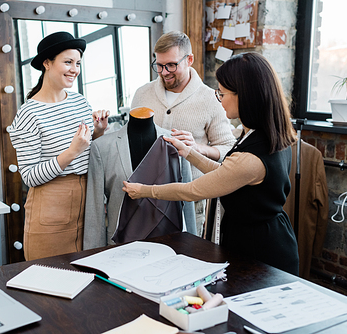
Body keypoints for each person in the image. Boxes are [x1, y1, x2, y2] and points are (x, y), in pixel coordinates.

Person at [123, 52, 300, 275]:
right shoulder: (266, 134)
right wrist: (189, 152)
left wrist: (144, 190)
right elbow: (227, 174)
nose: (219, 99)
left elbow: (194, 190)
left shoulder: (253, 156)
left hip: (260, 249)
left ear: (245, 95)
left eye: (222, 93)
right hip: (263, 234)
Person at [7, 31, 109, 261]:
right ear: (47, 63)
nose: (74, 69)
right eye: (68, 62)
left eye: (78, 63)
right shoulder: (28, 114)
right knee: (49, 281)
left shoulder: (80, 101)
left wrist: (98, 132)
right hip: (51, 205)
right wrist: (72, 151)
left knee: (87, 280)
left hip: (88, 201)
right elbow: (30, 177)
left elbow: (87, 151)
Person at [131, 31, 236, 236]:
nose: (164, 72)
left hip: (191, 201)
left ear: (189, 60)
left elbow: (228, 149)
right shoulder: (142, 93)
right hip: (146, 198)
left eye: (171, 65)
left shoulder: (211, 99)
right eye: (159, 65)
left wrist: (197, 149)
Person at [83, 107, 195, 250]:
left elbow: (187, 196)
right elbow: (95, 207)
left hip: (170, 244)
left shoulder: (175, 143)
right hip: (122, 246)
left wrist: (192, 246)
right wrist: (93, 256)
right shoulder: (102, 147)